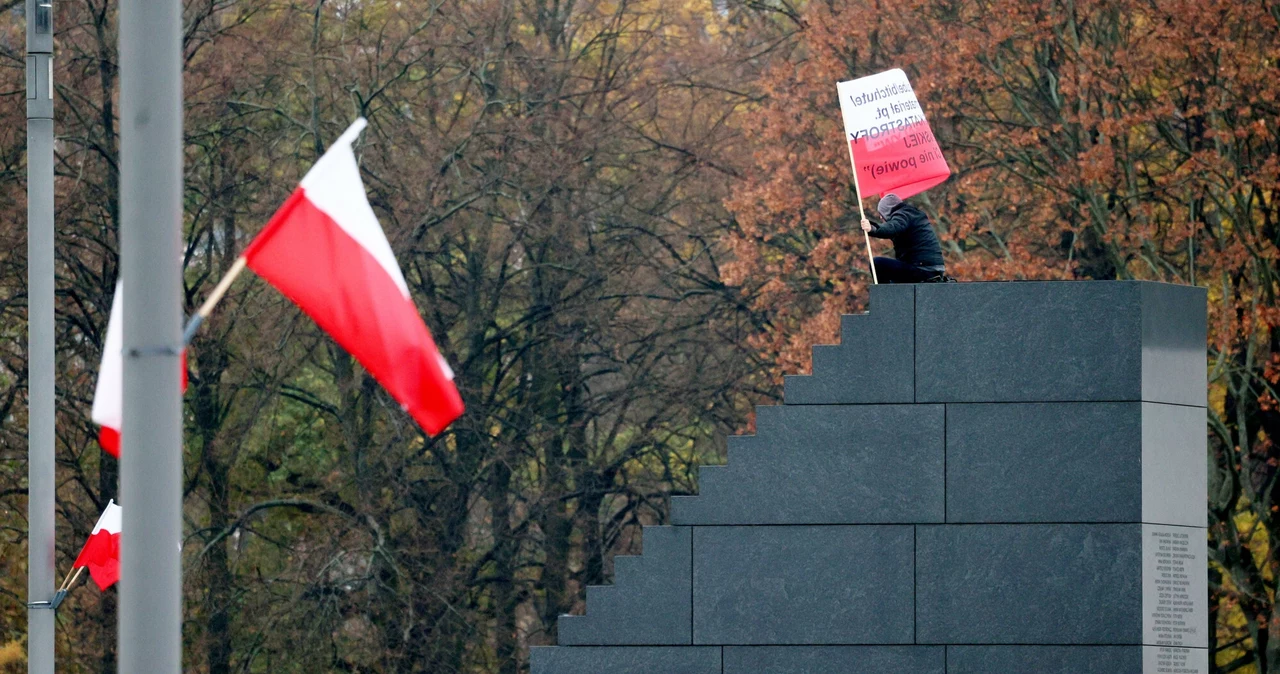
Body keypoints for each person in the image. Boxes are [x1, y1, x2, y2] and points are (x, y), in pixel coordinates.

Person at [859, 193, 951, 283]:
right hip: (931, 268)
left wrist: (873, 229)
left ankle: (884, 296)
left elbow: (892, 228)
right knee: (893, 278)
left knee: (877, 264)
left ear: (887, 212)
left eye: (881, 214)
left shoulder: (903, 216)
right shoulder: (913, 215)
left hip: (922, 269)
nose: (880, 217)